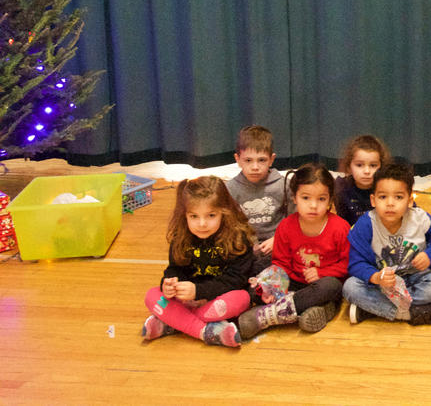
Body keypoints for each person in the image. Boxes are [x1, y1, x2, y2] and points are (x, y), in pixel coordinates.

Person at [141, 176, 255, 347]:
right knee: (152, 296)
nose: (202, 224)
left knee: (243, 298)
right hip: (186, 300)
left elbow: (236, 280)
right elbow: (175, 268)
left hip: (218, 298)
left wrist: (199, 291)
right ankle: (206, 332)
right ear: (185, 215)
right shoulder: (181, 237)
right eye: (194, 216)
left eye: (211, 215)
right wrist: (170, 284)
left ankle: (172, 322)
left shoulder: (238, 239)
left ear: (224, 212)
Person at [238, 164, 350, 338]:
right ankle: (314, 308)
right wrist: (274, 287)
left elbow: (348, 264)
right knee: (256, 288)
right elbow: (280, 262)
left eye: (321, 199)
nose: (313, 205)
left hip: (322, 283)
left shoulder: (340, 228)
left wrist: (322, 273)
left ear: (330, 200)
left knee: (331, 287)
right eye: (306, 198)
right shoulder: (286, 226)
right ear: (294, 198)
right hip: (293, 282)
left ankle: (269, 315)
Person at [343, 163, 431, 325]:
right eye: (383, 197)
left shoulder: (418, 218)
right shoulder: (366, 224)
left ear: (409, 201)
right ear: (373, 200)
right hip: (384, 284)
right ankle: (411, 313)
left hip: (417, 278)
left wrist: (430, 255)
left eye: (398, 197)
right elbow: (355, 263)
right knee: (350, 287)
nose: (390, 203)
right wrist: (375, 277)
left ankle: (373, 310)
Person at [226, 125, 290, 273]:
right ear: (238, 159)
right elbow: (231, 225)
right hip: (246, 248)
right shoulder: (230, 189)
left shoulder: (284, 185)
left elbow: (294, 220)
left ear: (271, 160)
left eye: (261, 160)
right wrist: (248, 244)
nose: (255, 167)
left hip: (277, 246)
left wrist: (278, 239)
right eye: (248, 160)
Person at [333, 134, 391, 227]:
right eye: (359, 165)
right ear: (349, 167)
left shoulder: (389, 187)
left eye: (373, 165)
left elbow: (411, 210)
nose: (367, 171)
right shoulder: (339, 188)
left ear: (381, 167)